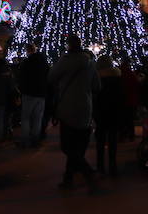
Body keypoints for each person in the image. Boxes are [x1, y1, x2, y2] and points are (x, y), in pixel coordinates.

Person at [48, 35, 100, 193]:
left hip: (68, 108)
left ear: (69, 45)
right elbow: (97, 86)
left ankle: (87, 172)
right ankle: (68, 178)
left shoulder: (65, 60)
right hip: (85, 108)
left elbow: (51, 77)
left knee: (67, 146)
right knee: (78, 146)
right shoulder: (90, 63)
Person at [93, 55, 123, 175]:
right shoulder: (117, 77)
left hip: (101, 112)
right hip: (114, 111)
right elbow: (121, 96)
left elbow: (95, 96)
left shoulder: (97, 78)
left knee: (100, 141)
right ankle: (112, 164)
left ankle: (100, 166)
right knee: (112, 140)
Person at [18, 43, 49, 147]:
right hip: (41, 93)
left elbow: (22, 77)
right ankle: (35, 139)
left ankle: (25, 139)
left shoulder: (26, 62)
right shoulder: (43, 62)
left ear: (28, 51)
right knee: (37, 118)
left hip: (29, 93)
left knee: (26, 118)